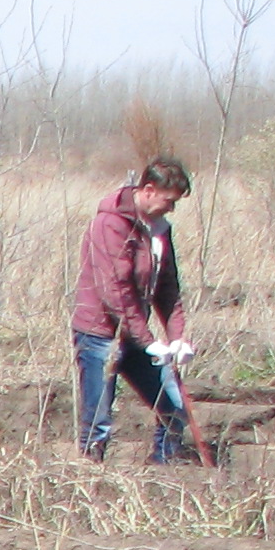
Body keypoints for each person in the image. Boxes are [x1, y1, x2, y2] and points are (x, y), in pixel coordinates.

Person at [68, 157, 193, 464]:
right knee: (98, 422)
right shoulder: (109, 224)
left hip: (136, 337)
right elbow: (116, 291)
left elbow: (168, 288)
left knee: (174, 410)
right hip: (100, 335)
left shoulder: (160, 230)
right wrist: (149, 340)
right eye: (169, 201)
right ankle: (89, 479)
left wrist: (177, 339)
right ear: (148, 190)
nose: (171, 209)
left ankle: (161, 473)